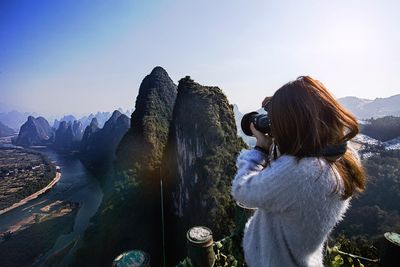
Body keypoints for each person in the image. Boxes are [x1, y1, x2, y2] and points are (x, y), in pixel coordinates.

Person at [231, 76, 366, 267]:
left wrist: (260, 150)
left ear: (295, 125)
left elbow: (242, 190)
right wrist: (280, 108)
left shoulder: (302, 173)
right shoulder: (344, 158)